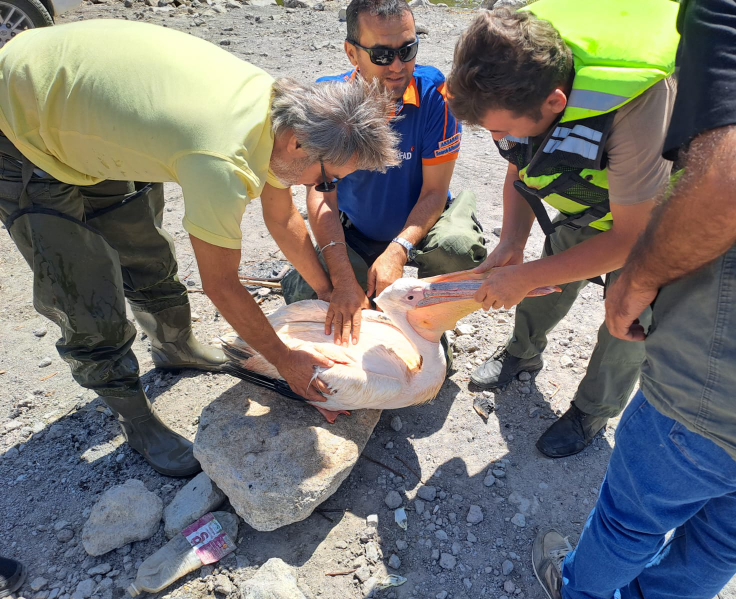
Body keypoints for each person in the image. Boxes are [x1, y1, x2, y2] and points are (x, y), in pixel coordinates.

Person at [0, 20, 398, 476]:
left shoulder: (281, 113)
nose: (324, 188)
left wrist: (327, 291)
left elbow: (283, 217)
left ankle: (175, 346)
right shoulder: (221, 159)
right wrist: (285, 360)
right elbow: (221, 285)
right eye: (327, 178)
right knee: (83, 289)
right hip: (23, 118)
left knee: (144, 250)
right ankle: (132, 414)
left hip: (86, 109)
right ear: (298, 142)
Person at [530, 0, 736, 598]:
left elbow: (734, 179)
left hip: (726, 380)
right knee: (727, 539)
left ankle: (579, 591)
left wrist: (638, 276)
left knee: (631, 521)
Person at [445, 0, 678, 458]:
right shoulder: (512, 63)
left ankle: (593, 410)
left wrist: (524, 275)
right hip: (594, 199)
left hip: (658, 219)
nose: (501, 139)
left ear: (556, 102)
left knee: (629, 314)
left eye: (506, 128)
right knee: (550, 267)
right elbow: (521, 160)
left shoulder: (637, 102)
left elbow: (633, 239)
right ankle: (523, 352)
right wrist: (513, 242)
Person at [281, 0, 486, 348]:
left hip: (420, 224)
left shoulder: (435, 95)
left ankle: (430, 327)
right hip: (358, 228)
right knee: (309, 291)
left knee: (457, 248)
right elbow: (321, 194)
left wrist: (399, 249)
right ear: (351, 53)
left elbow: (434, 193)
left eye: (408, 50)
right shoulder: (328, 101)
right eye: (381, 55)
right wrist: (344, 278)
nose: (397, 66)